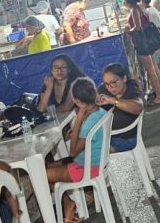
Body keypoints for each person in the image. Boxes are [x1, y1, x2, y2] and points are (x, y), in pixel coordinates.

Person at [46, 78, 108, 223]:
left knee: (41, 175)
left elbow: (73, 153)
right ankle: (69, 204)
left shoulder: (87, 121)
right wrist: (76, 131)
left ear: (77, 100)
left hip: (87, 168)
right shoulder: (101, 112)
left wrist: (79, 120)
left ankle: (68, 204)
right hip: (98, 162)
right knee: (49, 167)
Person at [124, 0, 160, 104]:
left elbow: (138, 27)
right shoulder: (141, 7)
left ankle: (159, 96)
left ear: (128, 2)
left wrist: (129, 31)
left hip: (142, 42)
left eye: (125, 1)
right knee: (155, 68)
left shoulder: (134, 10)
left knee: (151, 70)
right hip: (148, 41)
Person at [96, 63, 145, 152]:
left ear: (124, 78)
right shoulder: (103, 90)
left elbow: (138, 107)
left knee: (91, 154)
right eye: (106, 84)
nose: (110, 87)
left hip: (126, 139)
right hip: (108, 136)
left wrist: (113, 101)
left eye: (113, 82)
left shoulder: (132, 89)